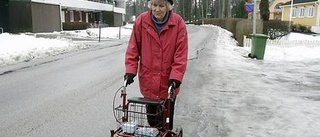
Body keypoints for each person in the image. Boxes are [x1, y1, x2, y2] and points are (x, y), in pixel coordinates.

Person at [124, 0, 188, 131]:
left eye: (161, 5)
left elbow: (181, 53)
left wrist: (176, 76)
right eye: (154, 5)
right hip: (148, 81)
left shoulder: (178, 23)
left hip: (169, 82)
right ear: (150, 5)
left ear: (168, 7)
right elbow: (133, 48)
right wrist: (131, 70)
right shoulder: (141, 21)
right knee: (152, 121)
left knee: (166, 121)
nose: (157, 9)